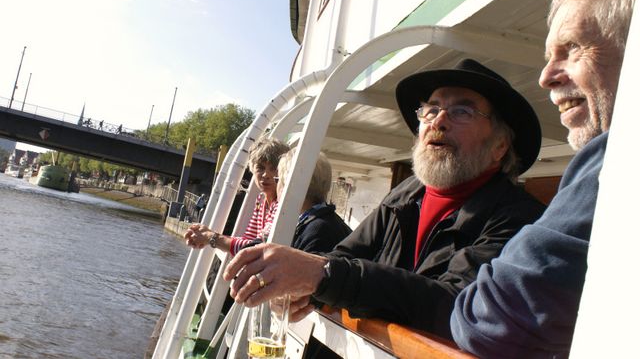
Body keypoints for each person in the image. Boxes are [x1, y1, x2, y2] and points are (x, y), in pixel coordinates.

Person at [223, 58, 545, 339]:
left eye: (462, 111)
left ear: (500, 146)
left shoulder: (521, 220)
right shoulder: (405, 195)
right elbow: (343, 256)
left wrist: (321, 276)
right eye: (431, 109)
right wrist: (307, 291)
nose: (438, 120)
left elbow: (455, 303)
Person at [450, 0, 640, 357]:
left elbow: (494, 317)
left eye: (571, 49)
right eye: (430, 111)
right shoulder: (403, 200)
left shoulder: (622, 157)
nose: (545, 76)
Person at [185, 147, 351, 254]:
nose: (270, 178)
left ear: (290, 185)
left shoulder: (314, 231)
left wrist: (212, 238)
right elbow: (257, 243)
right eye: (261, 168)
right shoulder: (317, 221)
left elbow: (259, 250)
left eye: (278, 178)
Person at [185, 138, 290, 255]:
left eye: (274, 169)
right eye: (260, 168)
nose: (266, 175)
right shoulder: (261, 199)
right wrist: (207, 235)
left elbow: (257, 248)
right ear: (252, 169)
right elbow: (250, 240)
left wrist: (210, 237)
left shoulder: (283, 203)